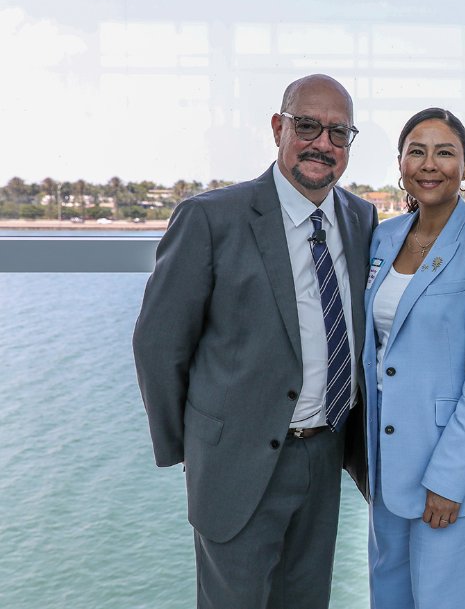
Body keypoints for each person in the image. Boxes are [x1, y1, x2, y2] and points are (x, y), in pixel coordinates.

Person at [132, 74, 377, 609]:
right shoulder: (210, 218)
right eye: (307, 126)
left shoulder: (360, 218)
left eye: (339, 133)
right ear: (278, 128)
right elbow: (158, 345)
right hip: (235, 466)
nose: (323, 144)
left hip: (325, 455)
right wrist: (197, 448)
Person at [363, 107, 465, 609]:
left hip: (448, 474)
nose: (430, 164)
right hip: (386, 470)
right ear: (401, 163)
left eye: (445, 152)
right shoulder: (384, 238)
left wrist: (448, 480)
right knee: (389, 599)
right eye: (417, 151)